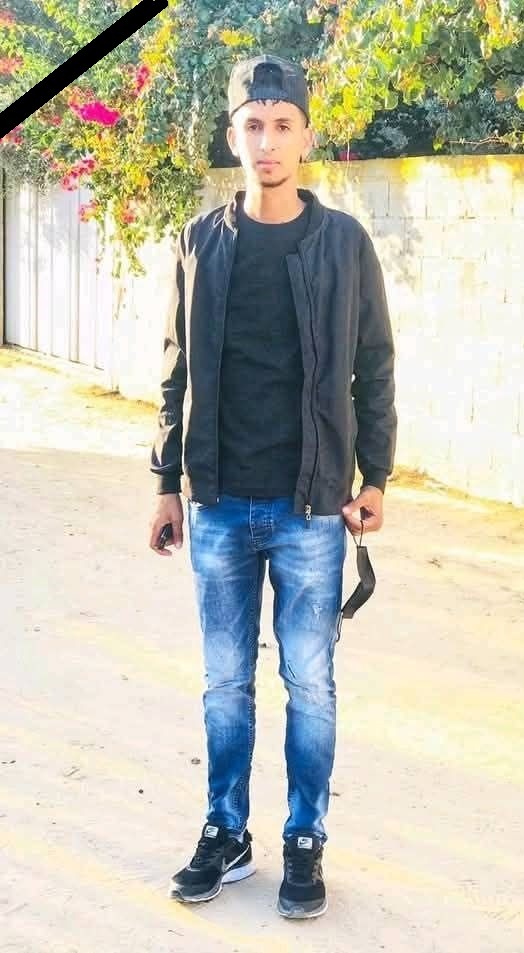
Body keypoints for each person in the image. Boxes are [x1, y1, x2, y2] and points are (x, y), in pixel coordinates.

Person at [148, 52, 397, 919]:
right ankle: (227, 830)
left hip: (311, 506)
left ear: (306, 137)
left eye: (282, 124)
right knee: (225, 682)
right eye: (252, 125)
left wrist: (376, 475)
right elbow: (175, 366)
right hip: (218, 501)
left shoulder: (345, 244)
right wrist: (166, 480)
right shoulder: (199, 242)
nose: (267, 141)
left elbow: (374, 365)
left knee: (311, 683)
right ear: (233, 136)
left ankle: (304, 838)